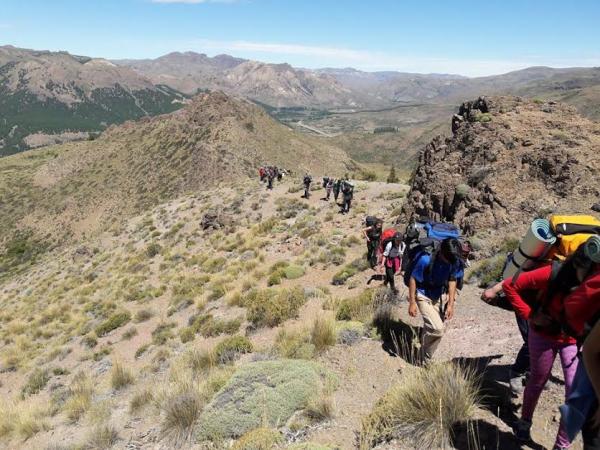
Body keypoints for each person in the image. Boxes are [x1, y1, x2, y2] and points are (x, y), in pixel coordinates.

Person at [502, 249, 595, 449]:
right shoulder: (553, 273)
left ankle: (561, 445)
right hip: (543, 334)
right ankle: (524, 422)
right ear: (578, 264)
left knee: (574, 391)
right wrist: (530, 314)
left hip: (571, 339)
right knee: (538, 379)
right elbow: (510, 286)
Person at [408, 238, 462, 363]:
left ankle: (422, 354)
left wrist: (451, 305)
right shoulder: (425, 259)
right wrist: (412, 302)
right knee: (438, 329)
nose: (450, 261)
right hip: (423, 294)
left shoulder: (453, 260)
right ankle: (426, 358)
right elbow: (413, 279)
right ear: (442, 252)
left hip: (438, 295)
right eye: (447, 258)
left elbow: (452, 280)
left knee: (430, 327)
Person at [482, 279, 532, 395]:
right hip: (524, 298)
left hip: (543, 299)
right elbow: (515, 278)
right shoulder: (539, 263)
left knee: (543, 339)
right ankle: (517, 371)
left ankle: (531, 371)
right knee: (531, 340)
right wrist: (494, 290)